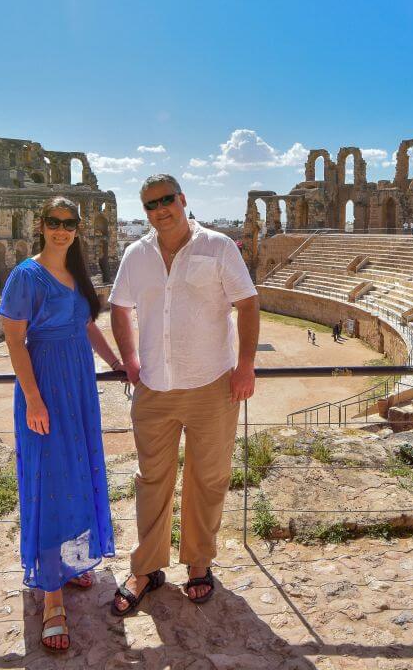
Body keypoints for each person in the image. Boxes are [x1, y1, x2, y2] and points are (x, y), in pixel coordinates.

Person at [109, 174, 259, 615]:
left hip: (212, 384)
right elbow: (119, 307)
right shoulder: (136, 255)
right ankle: (146, 568)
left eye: (167, 200)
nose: (161, 209)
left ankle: (198, 563)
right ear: (146, 212)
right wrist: (130, 360)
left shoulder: (218, 246)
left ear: (182, 199)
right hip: (154, 386)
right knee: (151, 480)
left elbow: (248, 303)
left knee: (207, 478)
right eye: (151, 204)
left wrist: (245, 364)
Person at [0, 197, 122, 653]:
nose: (61, 230)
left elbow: (88, 327)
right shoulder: (26, 275)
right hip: (46, 386)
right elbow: (14, 341)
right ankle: (52, 597)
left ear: (78, 228)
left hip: (79, 387)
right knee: (50, 478)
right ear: (41, 224)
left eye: (69, 224)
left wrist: (116, 362)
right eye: (54, 222)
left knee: (77, 471)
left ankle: (70, 562)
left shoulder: (77, 274)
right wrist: (33, 398)